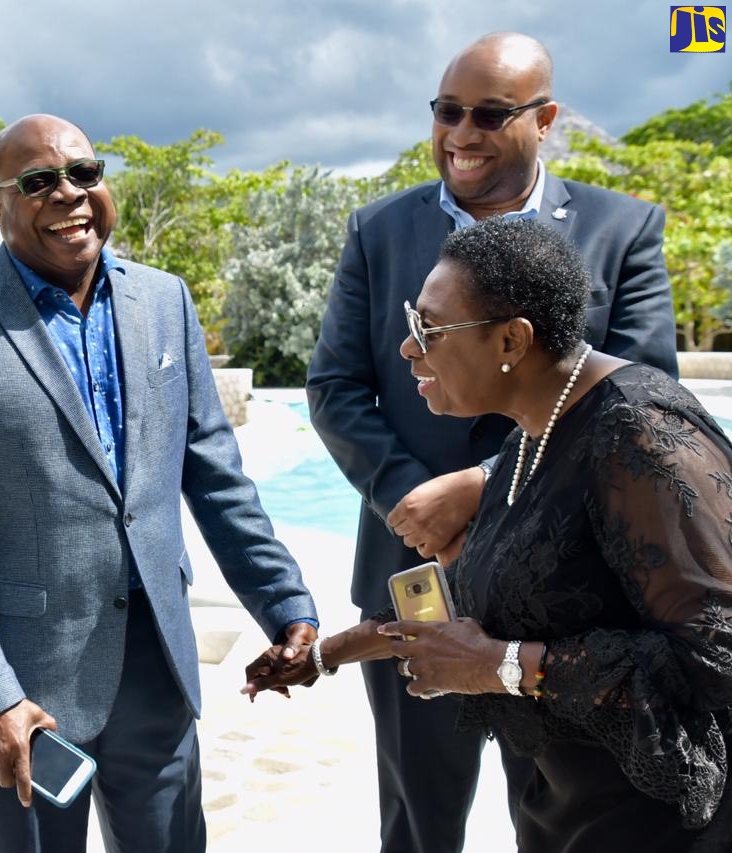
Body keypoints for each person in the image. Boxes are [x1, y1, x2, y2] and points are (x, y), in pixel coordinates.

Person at [0, 113, 318, 853]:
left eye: (84, 173)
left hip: (156, 667)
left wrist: (284, 603)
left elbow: (215, 473)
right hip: (24, 688)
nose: (69, 194)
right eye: (38, 182)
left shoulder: (165, 300)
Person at [304, 31, 679, 853]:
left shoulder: (623, 229)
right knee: (419, 818)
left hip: (568, 594)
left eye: (488, 114)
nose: (460, 134)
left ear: (544, 119)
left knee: (568, 820)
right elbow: (334, 386)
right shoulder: (377, 229)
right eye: (446, 112)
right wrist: (413, 501)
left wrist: (482, 483)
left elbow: (640, 401)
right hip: (416, 578)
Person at [247, 216, 732, 852]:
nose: (408, 349)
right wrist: (321, 657)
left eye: (429, 329)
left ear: (512, 340)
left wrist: (500, 666)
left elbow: (716, 657)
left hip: (658, 825)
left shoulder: (639, 433)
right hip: (565, 811)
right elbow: (483, 603)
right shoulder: (533, 433)